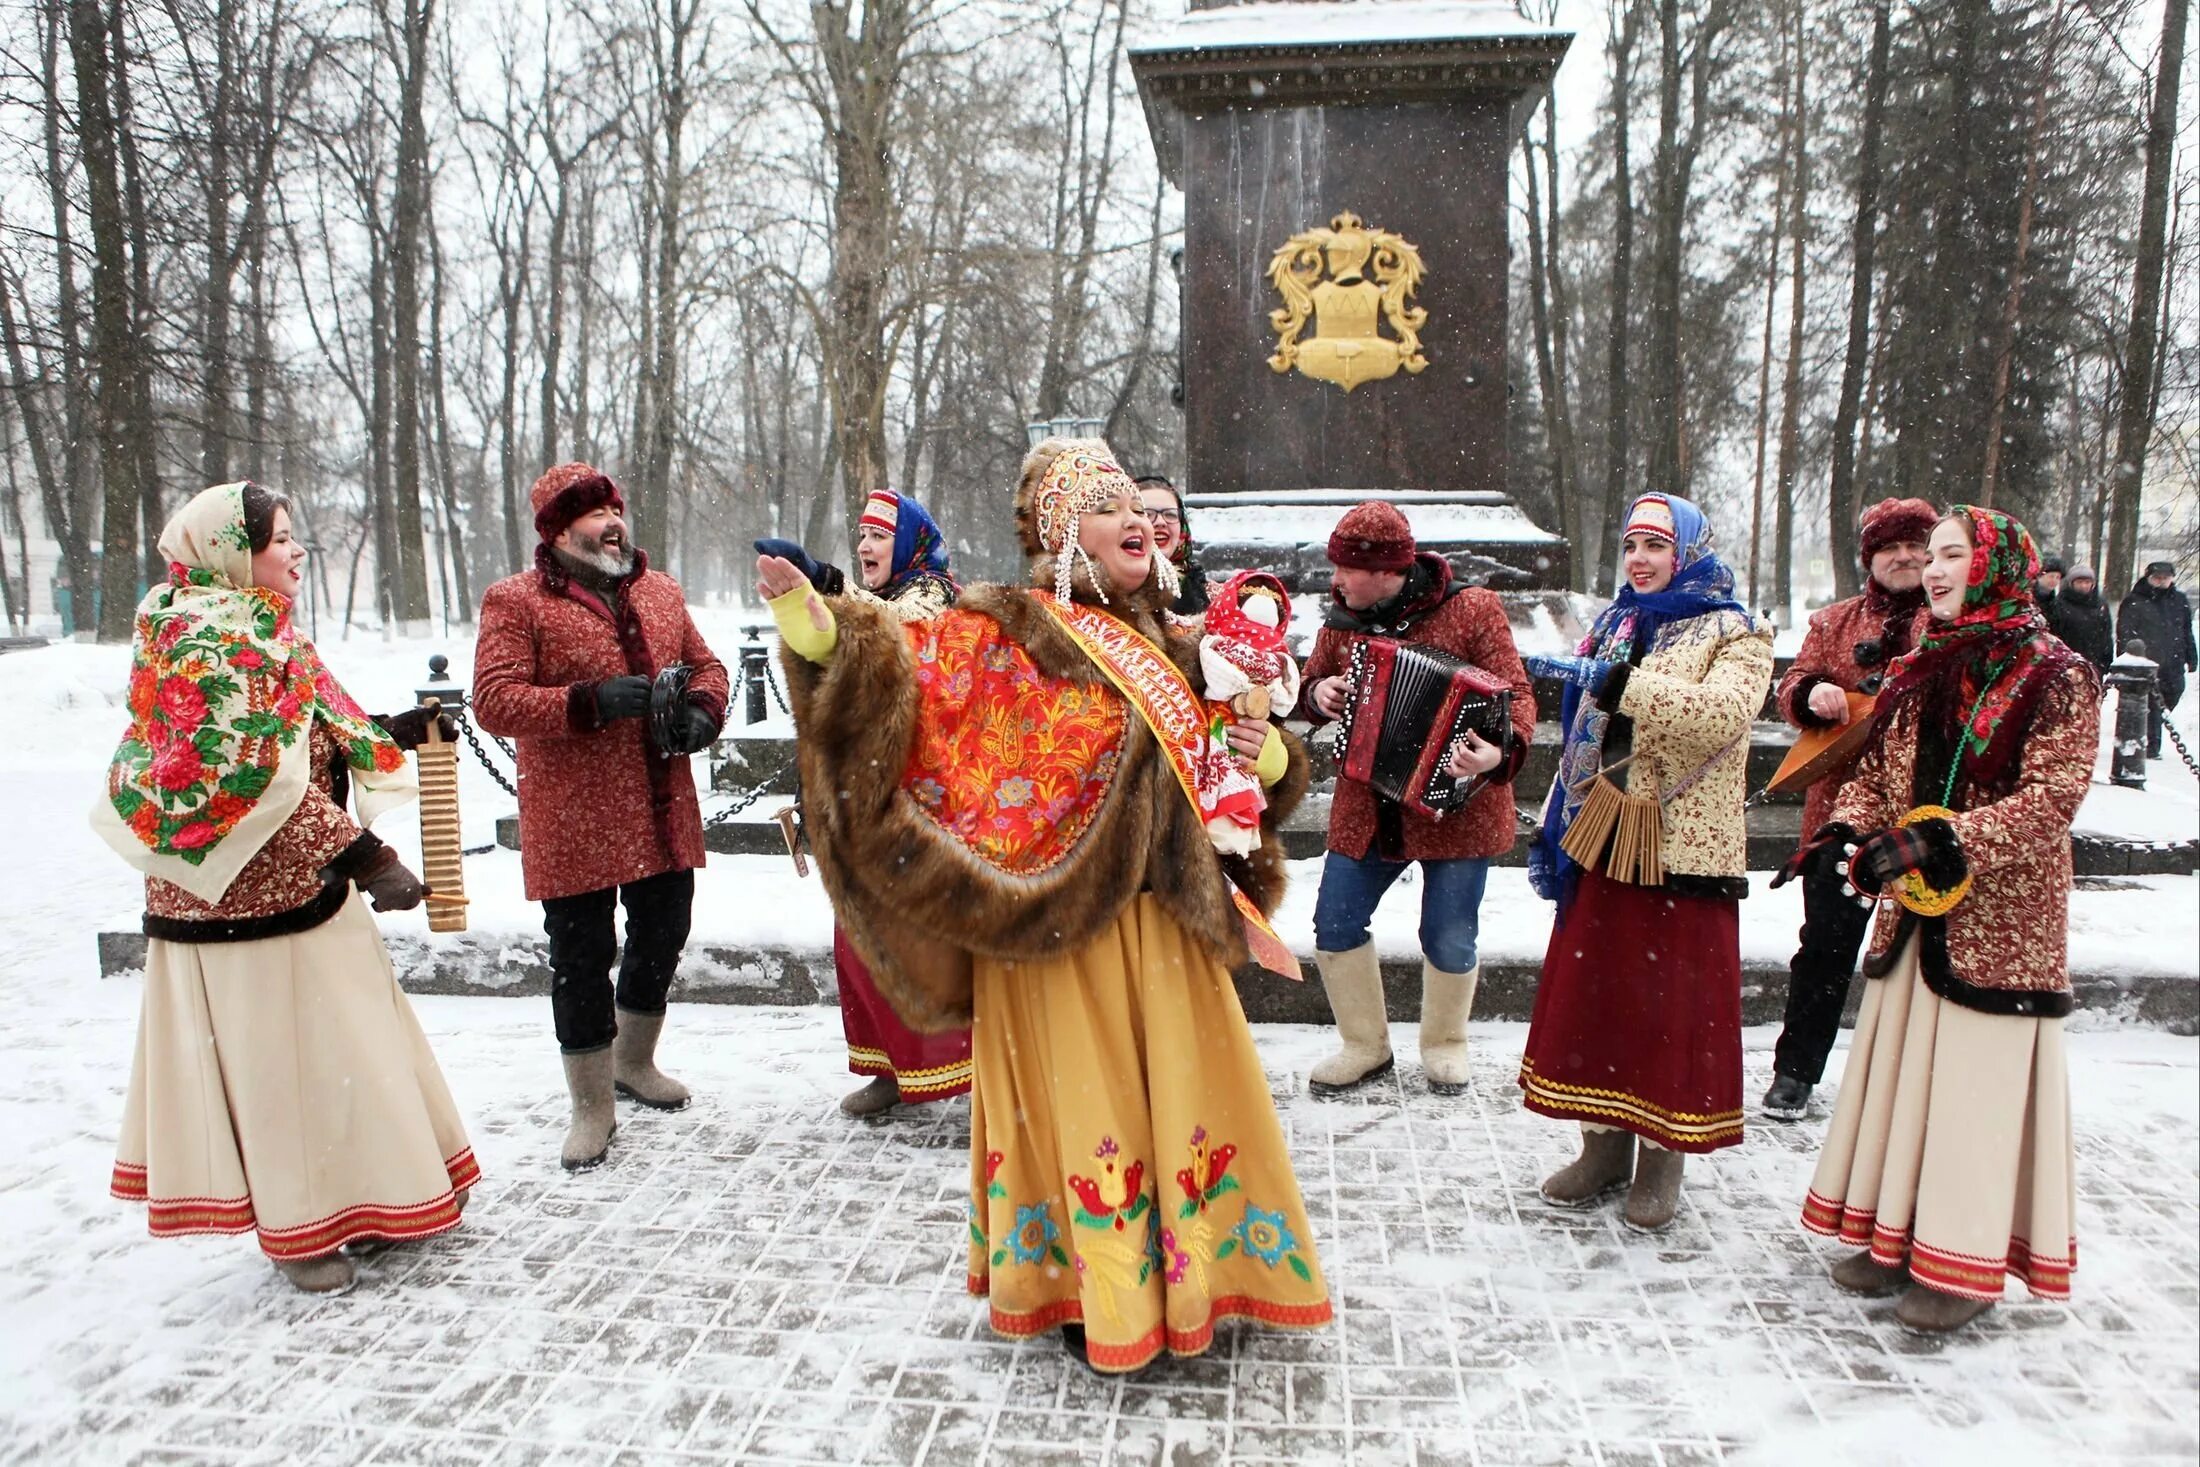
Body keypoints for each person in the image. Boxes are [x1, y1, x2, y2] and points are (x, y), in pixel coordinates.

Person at [761, 437, 1330, 1374]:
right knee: (1086, 1113)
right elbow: (902, 673)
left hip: (1160, 933)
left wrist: (1265, 748)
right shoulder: (1006, 629)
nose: (1136, 519)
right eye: (1108, 506)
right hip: (1054, 932)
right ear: (1065, 531)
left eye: (1138, 506)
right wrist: (815, 622)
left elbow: (1249, 774)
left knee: (1180, 1105)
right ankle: (1090, 1286)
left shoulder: (1186, 644)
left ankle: (1189, 1277)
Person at [94, 482, 478, 1296]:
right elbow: (242, 779)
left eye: (294, 536)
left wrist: (390, 736)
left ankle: (371, 1198)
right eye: (278, 539)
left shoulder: (260, 626)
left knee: (346, 1050)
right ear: (234, 553)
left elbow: (302, 731)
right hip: (237, 905)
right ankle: (299, 1230)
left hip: (303, 889)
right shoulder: (204, 640)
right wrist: (367, 856)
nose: (295, 551)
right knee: (281, 1072)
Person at [1783, 506, 2096, 1334]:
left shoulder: (2055, 671)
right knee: (1906, 1077)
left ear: (1997, 566)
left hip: (1999, 923)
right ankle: (1894, 1236)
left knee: (1968, 1091)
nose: (1935, 570)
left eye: (1953, 554)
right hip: (1916, 920)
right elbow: (1877, 769)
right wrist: (1851, 829)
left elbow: (2053, 799)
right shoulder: (1925, 659)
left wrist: (1942, 839)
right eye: (1935, 557)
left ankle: (1960, 1263)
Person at [1517, 493, 1773, 1231]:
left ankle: (1663, 1158)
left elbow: (1720, 716)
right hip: (1605, 829)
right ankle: (1602, 1149)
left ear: (1689, 552)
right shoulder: (1617, 620)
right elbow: (1587, 722)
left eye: (1656, 546)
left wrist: (1619, 682)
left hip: (1681, 848)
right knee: (1602, 995)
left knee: (1669, 1008)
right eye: (1632, 545)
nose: (1640, 560)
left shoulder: (1738, 630)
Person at [473, 462, 729, 1171]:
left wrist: (705, 711)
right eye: (595, 513)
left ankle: (634, 1061)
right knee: (580, 958)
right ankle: (592, 1106)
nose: (614, 521)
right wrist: (587, 701)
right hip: (573, 815)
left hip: (660, 806)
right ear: (557, 530)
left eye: (617, 507)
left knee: (663, 931)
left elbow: (708, 667)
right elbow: (493, 700)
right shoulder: (515, 601)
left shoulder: (661, 590)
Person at [1294, 501, 1536, 1095]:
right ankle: (1364, 1046)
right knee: (1335, 921)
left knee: (1448, 934)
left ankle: (1445, 1044)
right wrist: (1317, 692)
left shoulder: (1473, 609)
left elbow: (1519, 694)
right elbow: (1307, 686)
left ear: (1386, 570)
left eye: (1347, 569)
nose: (1336, 580)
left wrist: (1498, 752)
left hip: (1460, 801)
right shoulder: (1342, 620)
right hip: (1368, 804)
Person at [757, 489, 972, 1117]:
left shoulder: (934, 593)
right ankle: (888, 1068)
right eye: (861, 536)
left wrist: (827, 584)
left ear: (908, 542)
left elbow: (891, 636)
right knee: (857, 936)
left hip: (917, 800)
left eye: (879, 535)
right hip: (861, 794)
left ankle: (959, 1069)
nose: (866, 545)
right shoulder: (870, 600)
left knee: (917, 940)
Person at [1760, 497, 1935, 1121]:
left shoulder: (1951, 618)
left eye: (1917, 545)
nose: (1906, 557)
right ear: (1871, 557)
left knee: (1922, 951)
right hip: (1839, 811)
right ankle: (1796, 1071)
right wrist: (1813, 692)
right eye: (1892, 548)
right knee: (1826, 946)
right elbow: (1792, 683)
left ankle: (1911, 1080)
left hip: (1926, 816)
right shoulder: (1835, 620)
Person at [2117, 560, 2197, 758]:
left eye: (2165, 578)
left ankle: (2151, 730)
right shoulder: (2135, 600)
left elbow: (2186, 630)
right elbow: (2125, 632)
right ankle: (2151, 745)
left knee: (2172, 694)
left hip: (2173, 660)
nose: (2161, 582)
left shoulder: (2179, 600)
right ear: (2149, 578)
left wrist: (2191, 656)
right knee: (2152, 702)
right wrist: (2126, 658)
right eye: (2157, 578)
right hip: (2146, 662)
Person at [1135, 474, 1210, 617]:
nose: (1161, 522)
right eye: (1147, 514)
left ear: (1182, 533)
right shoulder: (1103, 594)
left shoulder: (1208, 594)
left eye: (1170, 514)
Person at [2043, 564, 2115, 672]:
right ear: (2071, 583)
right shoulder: (2059, 604)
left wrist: (2106, 661)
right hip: (2067, 664)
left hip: (2094, 664)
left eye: (2087, 582)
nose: (2084, 586)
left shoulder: (2100, 605)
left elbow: (2106, 635)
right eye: (2079, 582)